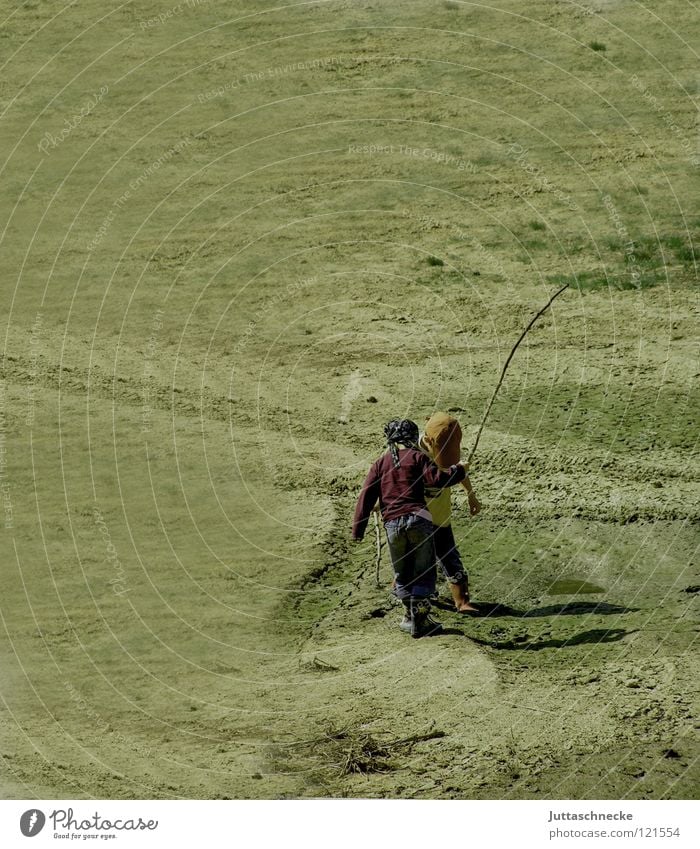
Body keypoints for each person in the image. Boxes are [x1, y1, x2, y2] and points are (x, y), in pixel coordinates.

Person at [352, 419, 467, 638]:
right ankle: (420, 622)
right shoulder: (419, 457)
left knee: (402, 574)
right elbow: (437, 479)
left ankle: (409, 618)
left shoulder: (380, 464)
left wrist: (358, 530)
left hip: (393, 525)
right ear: (413, 438)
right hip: (419, 520)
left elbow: (365, 497)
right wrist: (459, 470)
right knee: (423, 572)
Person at [419, 412, 481, 614]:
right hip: (417, 517)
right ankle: (406, 590)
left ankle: (462, 601)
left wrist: (471, 495)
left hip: (441, 516)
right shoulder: (412, 454)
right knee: (416, 558)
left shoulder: (447, 445)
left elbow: (459, 471)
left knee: (450, 557)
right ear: (427, 441)